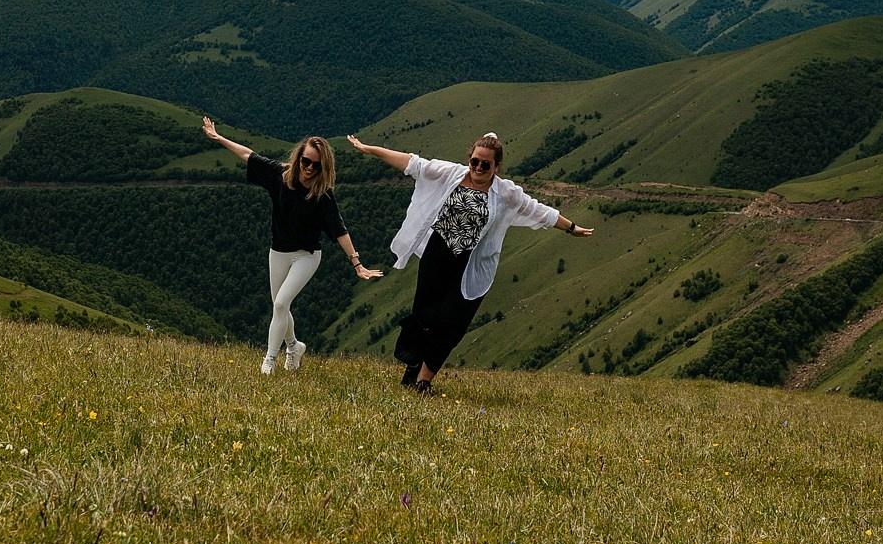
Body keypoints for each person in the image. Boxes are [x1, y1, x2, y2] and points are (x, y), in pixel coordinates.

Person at [347, 131, 593, 393]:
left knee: (452, 323)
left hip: (470, 265)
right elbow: (412, 163)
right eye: (474, 161)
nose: (477, 167)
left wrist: (571, 227)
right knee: (424, 316)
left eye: (485, 164)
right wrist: (369, 149)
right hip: (437, 254)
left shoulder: (505, 193)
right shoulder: (451, 174)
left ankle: (423, 382)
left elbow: (537, 210)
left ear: (497, 167)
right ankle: (413, 368)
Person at [203, 117, 382, 374]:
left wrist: (357, 264)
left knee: (279, 304)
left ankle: (269, 362)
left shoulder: (323, 194)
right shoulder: (280, 175)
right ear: (299, 157)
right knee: (281, 305)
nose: (309, 167)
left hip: (306, 255)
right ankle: (295, 346)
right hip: (278, 251)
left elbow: (339, 230)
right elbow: (248, 155)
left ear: (324, 167)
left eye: (316, 165)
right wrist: (218, 138)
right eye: (305, 161)